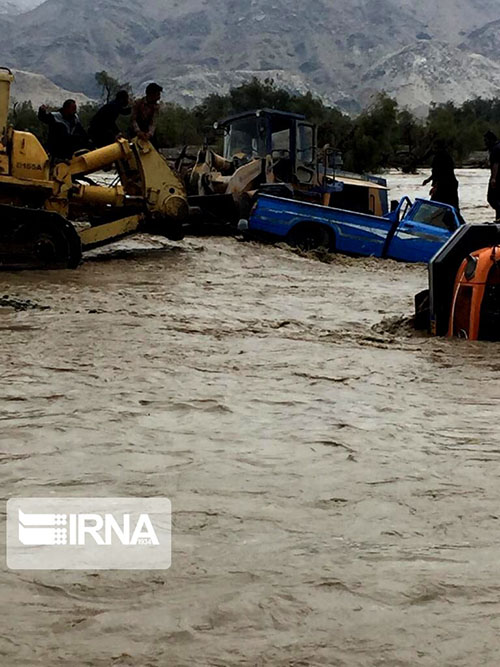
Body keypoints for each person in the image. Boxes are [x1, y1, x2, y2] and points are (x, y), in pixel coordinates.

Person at [422, 139, 460, 211]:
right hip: (448, 184)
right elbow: (436, 173)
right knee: (450, 206)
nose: (433, 149)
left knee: (435, 205)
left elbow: (443, 173)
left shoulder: (441, 157)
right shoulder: (443, 156)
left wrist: (436, 186)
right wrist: (428, 180)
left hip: (446, 185)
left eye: (434, 147)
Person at [485, 130, 500, 220]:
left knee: (492, 198)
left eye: (486, 140)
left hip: (497, 177)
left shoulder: (495, 149)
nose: (485, 143)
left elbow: (496, 164)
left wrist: (494, 178)